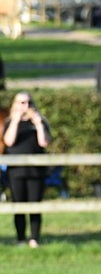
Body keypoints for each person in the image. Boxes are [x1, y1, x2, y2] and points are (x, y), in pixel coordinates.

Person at [2, 92, 50, 247]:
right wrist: (16, 120)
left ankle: (34, 238)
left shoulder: (40, 122)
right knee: (18, 205)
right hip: (16, 171)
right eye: (21, 102)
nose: (26, 106)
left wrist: (38, 124)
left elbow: (44, 143)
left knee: (35, 205)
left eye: (28, 102)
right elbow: (8, 141)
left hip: (36, 171)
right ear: (15, 104)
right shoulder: (10, 122)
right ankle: (20, 238)